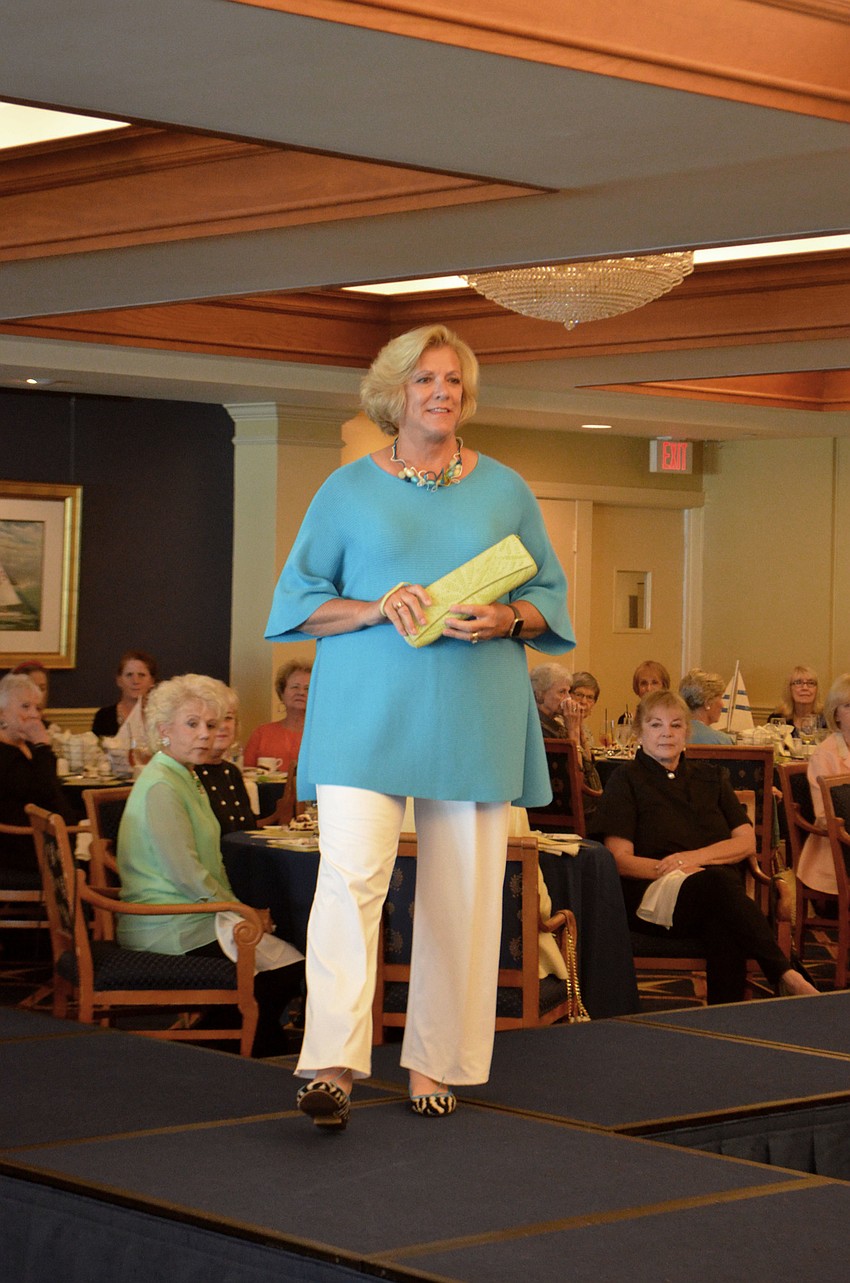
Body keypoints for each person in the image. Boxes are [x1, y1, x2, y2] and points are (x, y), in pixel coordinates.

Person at [265, 322, 574, 1128]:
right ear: (393, 393)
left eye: (453, 381)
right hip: (364, 715)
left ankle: (435, 1061)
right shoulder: (345, 490)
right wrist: (375, 605)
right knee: (349, 882)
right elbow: (298, 603)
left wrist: (507, 617)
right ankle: (332, 1060)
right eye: (425, 379)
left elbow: (550, 600)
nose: (441, 392)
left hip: (475, 713)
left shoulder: (506, 487)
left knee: (462, 897)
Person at [116, 674, 304, 1057]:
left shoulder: (184, 775)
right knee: (287, 968)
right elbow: (186, 873)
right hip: (166, 923)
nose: (205, 734)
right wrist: (243, 913)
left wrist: (239, 912)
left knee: (289, 962)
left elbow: (205, 867)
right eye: (192, 724)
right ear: (163, 730)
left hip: (193, 913)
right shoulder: (162, 787)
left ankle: (230, 1042)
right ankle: (237, 1045)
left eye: (212, 725)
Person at [594, 689, 817, 1004]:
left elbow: (745, 841)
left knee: (721, 914)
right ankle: (785, 971)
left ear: (687, 731)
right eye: (656, 725)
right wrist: (677, 871)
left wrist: (690, 860)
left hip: (714, 895)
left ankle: (724, 1020)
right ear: (640, 732)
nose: (666, 734)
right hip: (652, 897)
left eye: (675, 725)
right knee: (719, 883)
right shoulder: (625, 780)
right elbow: (620, 860)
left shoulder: (711, 776)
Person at [0, 673, 74, 875]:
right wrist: (42, 745)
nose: (34, 715)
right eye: (25, 707)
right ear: (2, 714)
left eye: (37, 708)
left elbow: (53, 793)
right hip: (20, 846)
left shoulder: (28, 747)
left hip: (45, 835)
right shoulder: (5, 754)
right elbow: (44, 792)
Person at [796, 673, 850, 896]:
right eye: (849, 706)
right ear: (836, 714)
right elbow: (823, 817)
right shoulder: (825, 755)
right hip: (837, 850)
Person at [531, 665, 602, 823]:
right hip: (562, 815)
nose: (568, 700)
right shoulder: (540, 729)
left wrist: (579, 729)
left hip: (583, 807)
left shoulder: (555, 724)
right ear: (540, 695)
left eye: (568, 692)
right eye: (562, 692)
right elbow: (576, 779)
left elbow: (591, 773)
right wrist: (573, 732)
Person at [195, 681, 258, 837]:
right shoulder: (188, 772)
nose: (223, 726)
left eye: (228, 718)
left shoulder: (231, 772)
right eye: (214, 720)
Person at [242, 660, 312, 770]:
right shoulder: (262, 733)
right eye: (295, 687)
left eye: (307, 688)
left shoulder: (322, 736)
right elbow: (246, 774)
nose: (301, 692)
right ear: (282, 693)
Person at [92, 650, 158, 738]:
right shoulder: (104, 716)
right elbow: (97, 750)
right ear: (119, 680)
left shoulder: (160, 716)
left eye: (141, 675)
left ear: (152, 681)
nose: (135, 681)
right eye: (129, 675)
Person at [679, 668, 735, 745]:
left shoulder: (673, 736)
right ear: (707, 703)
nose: (722, 705)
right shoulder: (722, 741)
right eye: (720, 698)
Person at [769, 666, 827, 738]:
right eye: (798, 683)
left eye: (811, 683)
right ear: (789, 689)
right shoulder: (777, 719)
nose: (805, 688)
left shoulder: (827, 720)